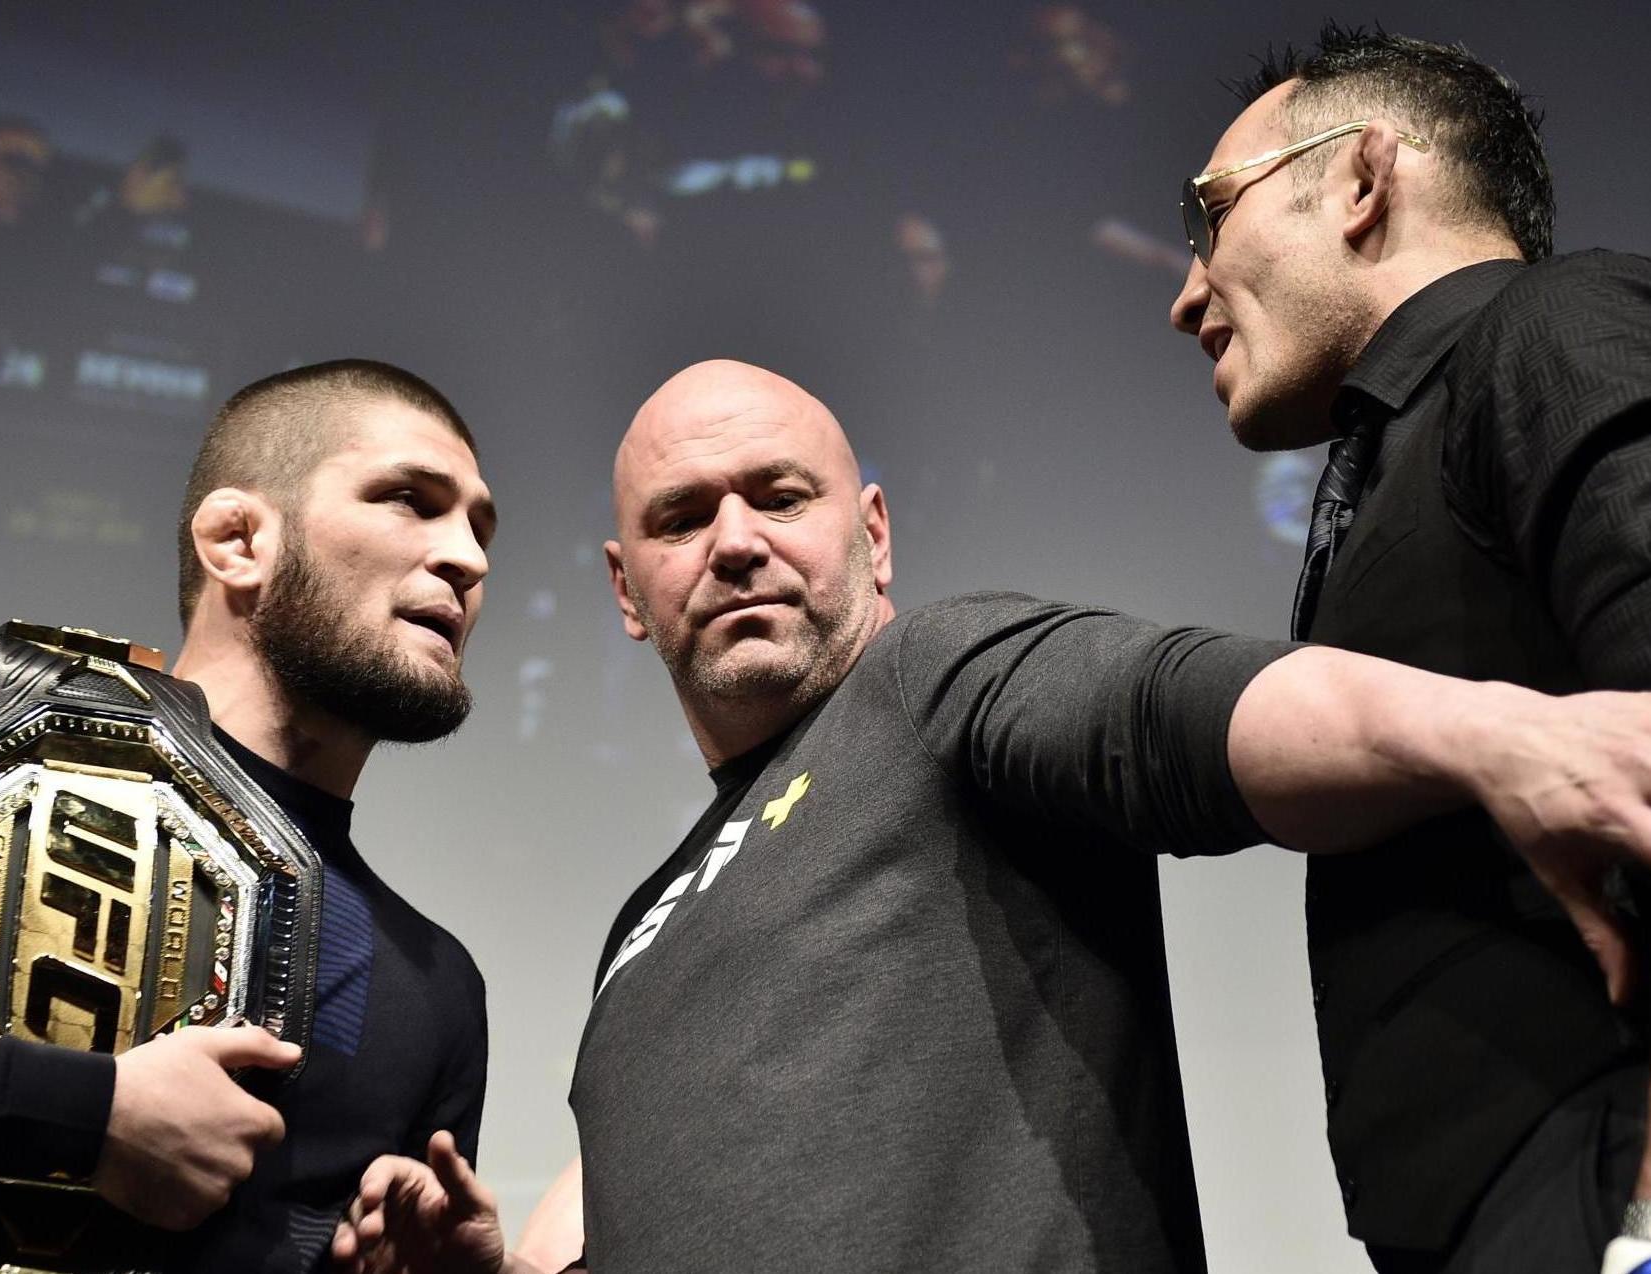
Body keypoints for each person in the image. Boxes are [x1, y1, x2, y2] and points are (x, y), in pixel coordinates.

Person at [338, 358, 1651, 1274]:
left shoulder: (931, 680)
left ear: (873, 534)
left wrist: (1502, 736)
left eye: (778, 496)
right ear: (628, 591)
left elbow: (1178, 710)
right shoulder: (632, 941)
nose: (733, 540)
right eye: (681, 519)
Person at [1168, 25, 1651, 1274]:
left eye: (1209, 214)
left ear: (1364, 180)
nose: (1185, 295)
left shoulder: (1553, 327)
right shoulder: (1410, 448)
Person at [0, 358, 495, 1272]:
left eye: (482, 529)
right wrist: (88, 1114)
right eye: (411, 499)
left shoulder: (435, 988)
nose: (469, 559)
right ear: (238, 539)